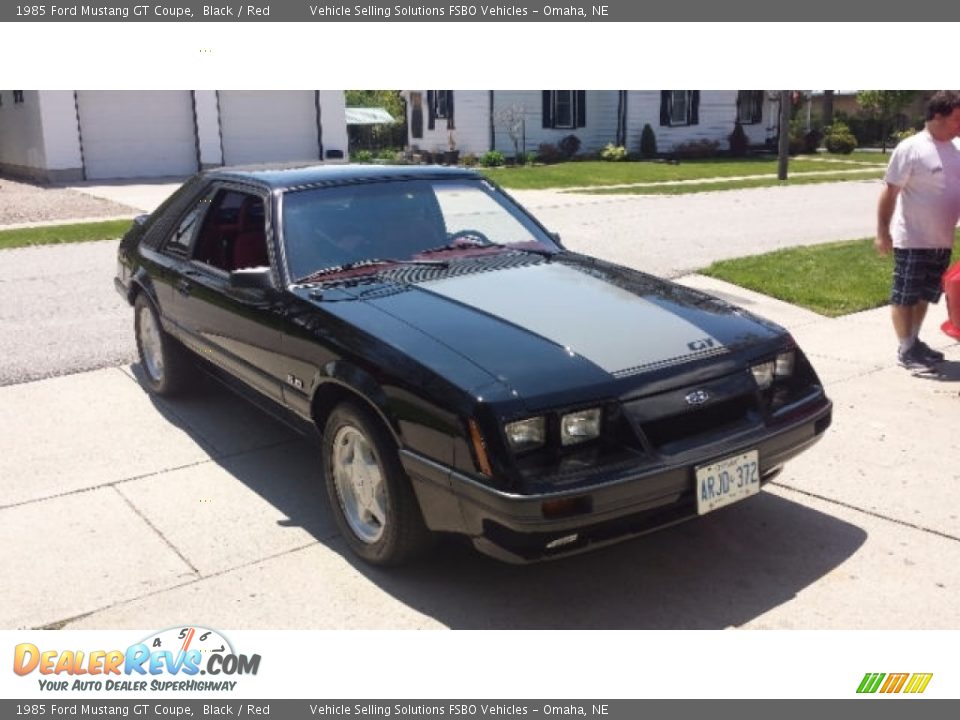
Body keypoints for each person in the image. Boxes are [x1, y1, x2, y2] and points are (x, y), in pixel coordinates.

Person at [876, 90, 960, 371]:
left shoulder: (956, 149)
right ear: (937, 115)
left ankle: (913, 341)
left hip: (942, 240)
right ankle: (904, 349)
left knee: (925, 295)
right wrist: (882, 232)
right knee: (905, 295)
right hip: (912, 238)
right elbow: (889, 192)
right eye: (957, 119)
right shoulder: (911, 148)